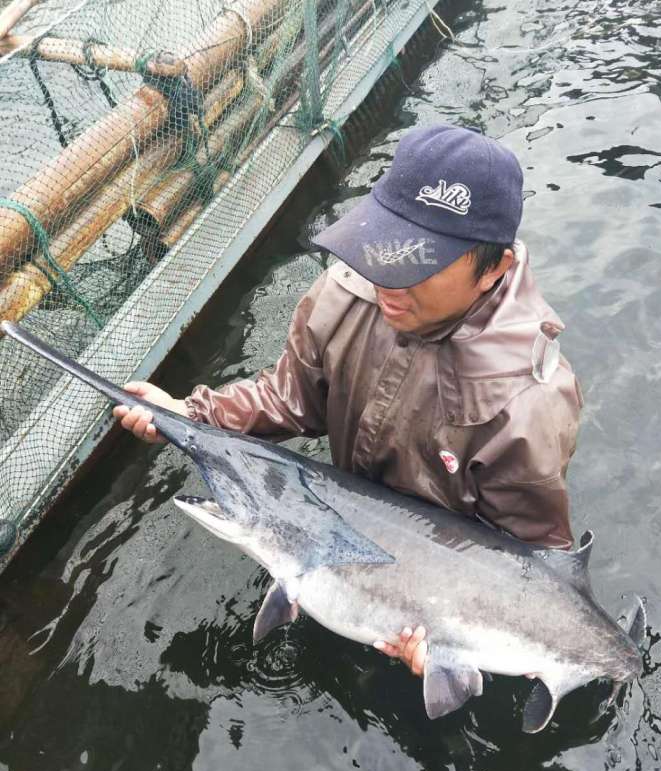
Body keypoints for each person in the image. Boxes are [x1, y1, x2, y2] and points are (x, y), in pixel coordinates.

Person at [113, 124, 583, 678]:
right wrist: (189, 414)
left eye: (419, 262)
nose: (387, 278)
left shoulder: (531, 403)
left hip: (439, 578)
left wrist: (460, 637)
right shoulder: (344, 292)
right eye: (382, 242)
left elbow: (532, 560)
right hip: (339, 519)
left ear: (494, 269)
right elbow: (289, 397)